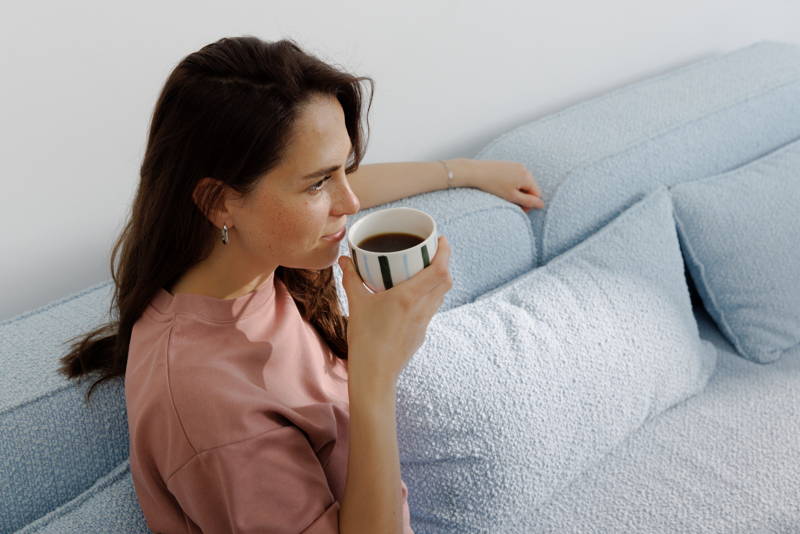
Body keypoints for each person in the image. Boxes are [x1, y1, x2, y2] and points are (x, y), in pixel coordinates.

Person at [58, 35, 543, 534]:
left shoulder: (247, 256)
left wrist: (464, 171)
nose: (351, 203)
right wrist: (374, 374)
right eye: (319, 183)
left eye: (344, 169)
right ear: (219, 203)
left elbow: (328, 186)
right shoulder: (216, 412)